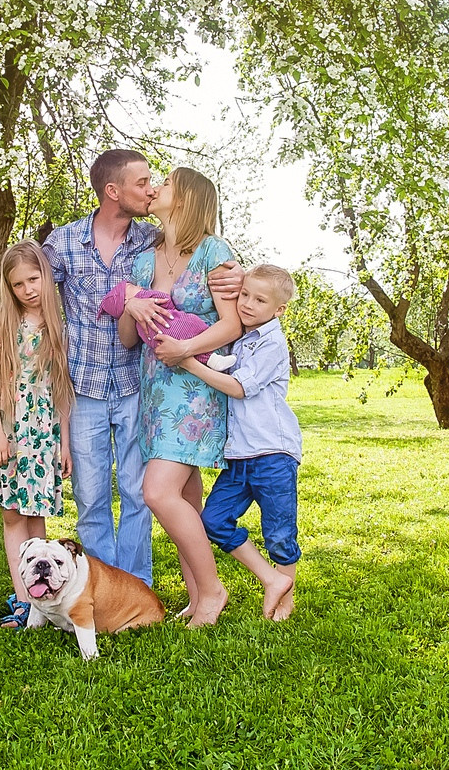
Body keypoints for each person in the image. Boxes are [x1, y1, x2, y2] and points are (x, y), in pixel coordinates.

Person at [0, 149, 241, 590]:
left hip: (140, 385)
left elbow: (201, 254)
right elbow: (22, 282)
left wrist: (239, 274)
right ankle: (98, 590)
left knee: (139, 495)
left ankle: (135, 588)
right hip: (84, 388)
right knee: (91, 499)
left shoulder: (153, 240)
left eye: (155, 182)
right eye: (142, 183)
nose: (151, 189)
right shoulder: (64, 242)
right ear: (112, 191)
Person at [121, 165, 245, 626]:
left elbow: (231, 324)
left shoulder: (214, 251)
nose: (155, 189)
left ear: (188, 197)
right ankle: (195, 598)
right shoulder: (145, 256)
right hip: (154, 392)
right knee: (186, 502)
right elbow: (129, 339)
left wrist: (187, 349)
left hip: (194, 390)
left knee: (157, 492)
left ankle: (213, 592)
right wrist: (129, 305)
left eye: (166, 184)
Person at [179, 262, 302, 621]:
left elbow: (239, 387)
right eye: (245, 294)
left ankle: (285, 600)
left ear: (278, 310)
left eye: (259, 300)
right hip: (239, 456)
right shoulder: (240, 337)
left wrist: (189, 363)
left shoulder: (272, 344)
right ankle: (269, 579)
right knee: (214, 520)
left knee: (279, 530)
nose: (247, 304)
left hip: (273, 453)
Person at [0, 241, 74, 629]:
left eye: (34, 279)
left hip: (43, 427)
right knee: (13, 515)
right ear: (8, 288)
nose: (28, 289)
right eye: (18, 284)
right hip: (8, 425)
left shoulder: (57, 323)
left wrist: (64, 441)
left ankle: (41, 595)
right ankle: (21, 599)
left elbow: (61, 387)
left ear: (47, 277)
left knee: (36, 514)